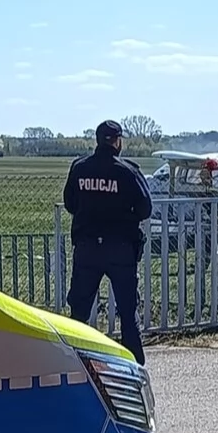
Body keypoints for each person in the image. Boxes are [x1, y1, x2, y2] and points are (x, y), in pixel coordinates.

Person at [63, 120, 153, 365]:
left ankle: (74, 363)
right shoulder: (128, 171)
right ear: (118, 141)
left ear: (97, 140)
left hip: (87, 248)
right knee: (127, 311)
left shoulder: (79, 168)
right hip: (121, 250)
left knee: (79, 312)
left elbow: (70, 204)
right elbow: (145, 209)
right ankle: (134, 366)